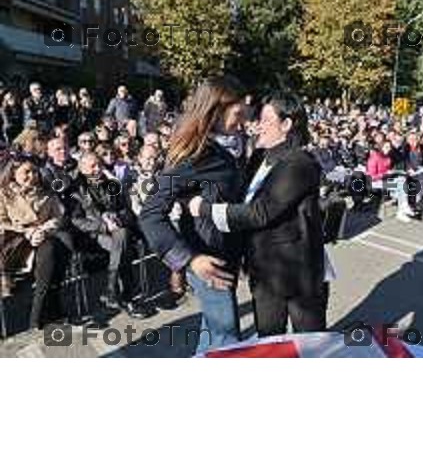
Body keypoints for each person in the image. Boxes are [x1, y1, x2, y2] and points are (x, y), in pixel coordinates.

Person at [189, 92, 329, 338]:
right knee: (269, 343)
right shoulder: (260, 156)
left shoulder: (299, 162)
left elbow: (260, 212)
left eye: (265, 119)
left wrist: (205, 209)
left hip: (298, 274)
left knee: (310, 345)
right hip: (265, 272)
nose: (257, 125)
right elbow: (243, 198)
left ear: (286, 125)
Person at [139, 76, 247, 354]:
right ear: (216, 110)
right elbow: (151, 214)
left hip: (225, 255)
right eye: (238, 113)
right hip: (208, 259)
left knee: (213, 336)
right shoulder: (192, 156)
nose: (243, 119)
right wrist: (189, 259)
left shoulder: (220, 149)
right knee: (227, 343)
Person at [71, 152, 151, 319]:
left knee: (122, 239)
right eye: (92, 166)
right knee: (123, 245)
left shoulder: (110, 183)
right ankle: (126, 298)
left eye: (99, 164)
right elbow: (77, 221)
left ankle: (111, 290)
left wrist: (117, 218)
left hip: (118, 232)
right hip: (94, 235)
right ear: (82, 169)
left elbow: (125, 209)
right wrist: (103, 225)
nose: (98, 169)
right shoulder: (76, 188)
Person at [0, 156, 71, 328]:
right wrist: (28, 232)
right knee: (53, 249)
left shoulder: (46, 192)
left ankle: (37, 314)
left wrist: (42, 230)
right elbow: (1, 223)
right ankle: (50, 309)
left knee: (53, 247)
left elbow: (58, 217)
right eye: (26, 172)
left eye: (34, 172)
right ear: (13, 173)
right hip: (14, 244)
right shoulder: (3, 194)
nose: (32, 176)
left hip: (43, 239)